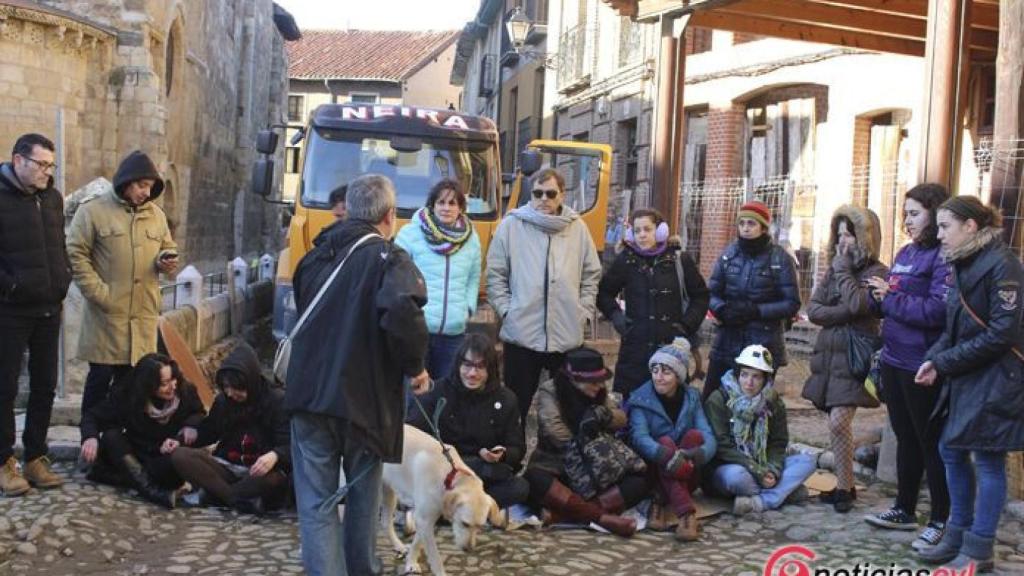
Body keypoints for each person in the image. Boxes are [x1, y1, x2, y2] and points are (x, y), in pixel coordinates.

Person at [284, 173, 430, 576]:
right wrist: (415, 367)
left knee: (316, 503)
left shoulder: (316, 256)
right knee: (364, 497)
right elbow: (403, 312)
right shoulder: (390, 258)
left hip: (310, 395)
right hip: (365, 403)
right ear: (388, 216)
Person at [916, 196, 1024, 572]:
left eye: (945, 226)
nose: (939, 234)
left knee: (989, 461)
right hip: (966, 376)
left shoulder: (1003, 264)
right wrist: (933, 358)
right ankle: (956, 533)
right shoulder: (964, 262)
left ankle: (980, 548)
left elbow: (1001, 333)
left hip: (996, 379)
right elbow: (954, 328)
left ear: (971, 226)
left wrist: (944, 362)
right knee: (950, 450)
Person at [863, 184, 951, 550]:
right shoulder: (904, 251)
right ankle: (904, 507)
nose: (908, 220)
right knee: (903, 436)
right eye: (905, 214)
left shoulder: (942, 258)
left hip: (922, 363)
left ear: (935, 214)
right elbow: (893, 302)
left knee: (930, 441)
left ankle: (941, 519)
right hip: (894, 359)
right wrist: (878, 297)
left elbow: (936, 311)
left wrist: (892, 298)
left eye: (915, 213)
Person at [67, 150, 178, 422]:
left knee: (133, 385)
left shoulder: (157, 216)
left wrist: (166, 260)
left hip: (141, 317)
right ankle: (90, 440)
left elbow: (168, 246)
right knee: (99, 382)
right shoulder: (93, 211)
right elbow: (76, 253)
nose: (145, 192)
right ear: (126, 182)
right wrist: (98, 293)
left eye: (150, 187)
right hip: (107, 316)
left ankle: (121, 445)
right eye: (141, 185)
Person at [487, 168, 602, 421]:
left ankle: (561, 458)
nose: (544, 199)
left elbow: (591, 273)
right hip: (522, 333)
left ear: (562, 195)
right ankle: (511, 457)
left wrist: (582, 311)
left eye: (550, 193)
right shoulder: (511, 226)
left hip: (566, 333)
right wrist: (508, 311)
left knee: (565, 407)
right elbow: (495, 274)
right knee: (515, 406)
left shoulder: (578, 228)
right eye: (538, 193)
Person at [802, 205, 888, 513]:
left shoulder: (877, 272)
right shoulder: (834, 268)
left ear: (864, 236)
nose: (843, 241)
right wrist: (843, 314)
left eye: (849, 235)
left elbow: (857, 303)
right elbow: (814, 310)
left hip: (854, 359)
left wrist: (842, 272)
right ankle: (845, 487)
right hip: (829, 358)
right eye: (839, 235)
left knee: (840, 422)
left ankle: (845, 482)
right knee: (836, 424)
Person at [0, 133, 71, 495]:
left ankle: (35, 457)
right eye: (41, 164)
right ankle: (3, 462)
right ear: (18, 161)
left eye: (50, 165)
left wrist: (63, 278)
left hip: (48, 306)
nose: (47, 172)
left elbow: (60, 245)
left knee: (45, 385)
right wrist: (11, 287)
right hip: (10, 310)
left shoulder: (53, 198)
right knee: (5, 387)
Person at [523, 347, 643, 538]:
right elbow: (555, 431)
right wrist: (584, 439)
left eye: (600, 381)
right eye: (592, 382)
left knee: (639, 481)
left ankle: (562, 516)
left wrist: (601, 416)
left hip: (596, 468)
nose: (598, 386)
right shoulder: (550, 390)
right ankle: (604, 519)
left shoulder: (599, 392)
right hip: (558, 464)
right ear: (573, 379)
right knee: (534, 480)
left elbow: (621, 418)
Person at [597, 208, 710, 399]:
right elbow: (604, 293)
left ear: (660, 231)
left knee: (668, 406)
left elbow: (701, 296)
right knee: (634, 408)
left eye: (647, 229)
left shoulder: (679, 260)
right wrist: (617, 318)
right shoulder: (626, 260)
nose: (642, 235)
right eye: (637, 230)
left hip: (670, 345)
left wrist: (685, 325)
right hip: (635, 348)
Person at [407, 333, 528, 509]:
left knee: (519, 487)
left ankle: (451, 509)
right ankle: (469, 508)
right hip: (444, 471)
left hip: (482, 474)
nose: (472, 373)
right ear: (458, 365)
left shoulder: (506, 399)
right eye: (467, 365)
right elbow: (412, 434)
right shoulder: (437, 392)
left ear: (491, 369)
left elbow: (517, 448)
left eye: (480, 367)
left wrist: (501, 454)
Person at [170, 342, 291, 514]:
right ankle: (236, 500)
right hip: (228, 466)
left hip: (260, 471)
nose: (230, 393)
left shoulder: (276, 401)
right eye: (226, 388)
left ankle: (218, 495)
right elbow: (209, 431)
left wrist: (274, 455)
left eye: (236, 389)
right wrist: (189, 435)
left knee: (272, 481)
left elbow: (289, 445)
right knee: (181, 455)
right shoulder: (223, 402)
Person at [79, 353, 204, 508]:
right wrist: (90, 437)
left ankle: (124, 478)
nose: (172, 386)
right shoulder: (127, 395)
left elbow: (198, 413)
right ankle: (153, 491)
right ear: (148, 386)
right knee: (111, 436)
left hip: (164, 454)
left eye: (173, 379)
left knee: (175, 470)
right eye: (164, 383)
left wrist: (189, 427)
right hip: (137, 451)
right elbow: (92, 416)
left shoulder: (185, 391)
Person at [705, 344, 816, 516]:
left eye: (756, 377)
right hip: (731, 468)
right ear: (737, 374)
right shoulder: (719, 399)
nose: (749, 382)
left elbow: (778, 443)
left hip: (764, 464)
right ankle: (786, 492)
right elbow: (721, 446)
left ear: (766, 380)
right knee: (737, 478)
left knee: (808, 461)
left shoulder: (773, 402)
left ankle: (761, 501)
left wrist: (773, 469)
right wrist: (758, 471)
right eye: (744, 375)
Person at [706, 200, 800, 402]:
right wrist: (721, 309)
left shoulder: (780, 259)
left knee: (753, 405)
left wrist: (756, 311)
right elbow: (711, 292)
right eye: (742, 223)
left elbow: (791, 302)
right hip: (727, 339)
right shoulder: (728, 255)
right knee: (713, 400)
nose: (745, 229)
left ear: (763, 227)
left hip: (763, 342)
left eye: (751, 224)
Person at [627, 338, 716, 541]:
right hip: (654, 469)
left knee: (695, 436)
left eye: (666, 372)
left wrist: (694, 454)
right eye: (655, 370)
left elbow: (708, 436)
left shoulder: (692, 398)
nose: (658, 377)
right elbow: (639, 437)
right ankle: (686, 515)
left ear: (679, 376)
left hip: (687, 470)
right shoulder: (641, 399)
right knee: (665, 441)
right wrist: (667, 455)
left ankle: (659, 500)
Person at [395, 179, 482, 377]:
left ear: (461, 208)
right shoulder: (410, 234)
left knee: (447, 392)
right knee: (415, 393)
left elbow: (474, 276)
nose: (446, 208)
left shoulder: (471, 239)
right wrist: (409, 311)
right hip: (418, 331)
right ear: (432, 205)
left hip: (454, 333)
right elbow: (396, 277)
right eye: (441, 202)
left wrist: (468, 307)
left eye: (452, 203)